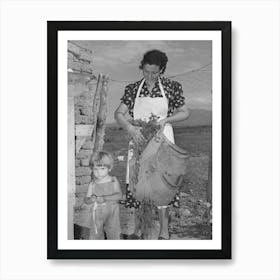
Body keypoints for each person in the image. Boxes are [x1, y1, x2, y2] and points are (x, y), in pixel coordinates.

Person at [114, 49, 190, 240]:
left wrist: (166, 120)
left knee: (162, 183)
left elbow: (184, 112)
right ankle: (140, 228)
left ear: (161, 70)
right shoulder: (133, 88)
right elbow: (119, 114)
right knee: (139, 182)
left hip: (162, 139)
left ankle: (164, 231)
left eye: (154, 72)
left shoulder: (172, 86)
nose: (149, 76)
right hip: (139, 138)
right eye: (146, 71)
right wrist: (130, 128)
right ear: (142, 68)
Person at [84, 151, 122, 240]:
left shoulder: (113, 180)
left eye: (102, 169)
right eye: (95, 169)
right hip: (97, 212)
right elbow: (86, 199)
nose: (98, 173)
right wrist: (91, 200)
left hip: (112, 213)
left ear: (109, 168)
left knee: (114, 233)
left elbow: (119, 195)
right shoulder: (92, 184)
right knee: (96, 234)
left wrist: (105, 198)